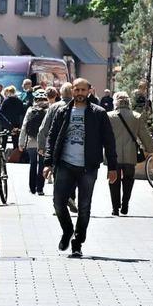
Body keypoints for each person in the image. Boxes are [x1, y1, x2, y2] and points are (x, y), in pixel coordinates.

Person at [43, 78, 118, 258]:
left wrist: (112, 167)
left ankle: (77, 243)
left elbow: (109, 141)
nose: (80, 93)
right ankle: (68, 230)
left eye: (83, 90)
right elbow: (52, 137)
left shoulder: (99, 113)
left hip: (88, 167)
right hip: (65, 164)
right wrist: (47, 163)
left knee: (84, 207)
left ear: (89, 91)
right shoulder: (62, 111)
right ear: (72, 91)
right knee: (58, 203)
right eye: (77, 90)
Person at [107, 92, 153, 216]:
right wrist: (151, 149)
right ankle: (125, 205)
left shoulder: (109, 116)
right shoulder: (136, 116)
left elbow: (102, 136)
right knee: (128, 180)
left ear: (115, 102)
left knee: (113, 180)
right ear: (128, 101)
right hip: (130, 155)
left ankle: (115, 208)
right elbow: (144, 135)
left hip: (113, 155)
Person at [37, 82, 78, 213]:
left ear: (60, 94)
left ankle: (59, 204)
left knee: (57, 175)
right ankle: (71, 197)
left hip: (56, 146)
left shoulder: (54, 107)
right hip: (74, 145)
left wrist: (41, 145)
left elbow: (43, 128)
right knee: (73, 173)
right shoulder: (78, 107)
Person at [19, 90, 49, 195]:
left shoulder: (30, 110)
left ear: (35, 99)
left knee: (32, 164)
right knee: (41, 164)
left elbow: (24, 126)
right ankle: (40, 189)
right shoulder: (49, 110)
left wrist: (21, 143)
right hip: (44, 143)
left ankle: (32, 188)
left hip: (31, 141)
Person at [0, 85, 26, 150]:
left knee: (4, 139)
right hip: (16, 123)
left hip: (6, 122)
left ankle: (3, 153)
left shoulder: (6, 101)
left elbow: (1, 112)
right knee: (15, 140)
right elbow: (22, 112)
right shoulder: (19, 101)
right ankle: (16, 154)